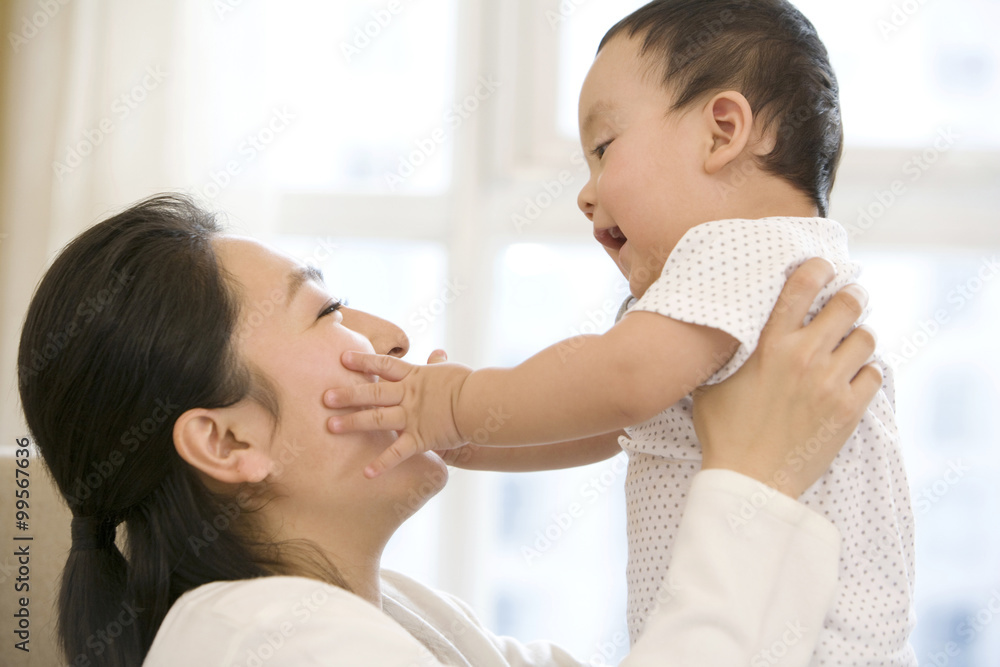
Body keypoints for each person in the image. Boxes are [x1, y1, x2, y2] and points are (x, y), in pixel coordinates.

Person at [17, 194, 879, 666]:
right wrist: (754, 482)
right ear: (228, 442)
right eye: (327, 314)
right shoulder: (260, 643)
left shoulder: (400, 621)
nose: (391, 336)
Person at [323, 1, 916, 663]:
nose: (586, 193)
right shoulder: (745, 287)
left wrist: (453, 402)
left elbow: (619, 383)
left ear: (722, 132)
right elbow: (603, 424)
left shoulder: (742, 254)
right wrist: (464, 435)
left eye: (603, 148)